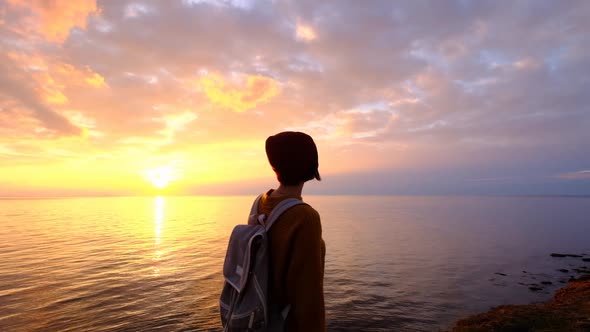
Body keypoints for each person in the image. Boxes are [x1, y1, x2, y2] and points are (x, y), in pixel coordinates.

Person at [258, 131, 326, 331]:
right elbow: (308, 296)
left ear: (274, 165)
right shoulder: (305, 217)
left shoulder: (260, 203)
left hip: (260, 316)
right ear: (311, 164)